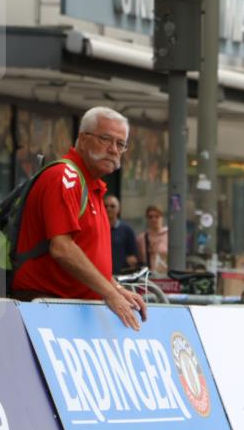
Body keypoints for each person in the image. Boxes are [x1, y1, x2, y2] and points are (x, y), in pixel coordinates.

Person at [10, 106, 146, 330]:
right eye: (105, 139)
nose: (113, 149)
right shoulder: (65, 177)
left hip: (65, 311)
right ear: (83, 139)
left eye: (120, 144)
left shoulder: (90, 185)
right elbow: (62, 248)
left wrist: (117, 289)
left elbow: (88, 257)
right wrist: (110, 293)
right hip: (46, 310)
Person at [105, 194, 139, 273]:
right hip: (100, 275)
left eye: (112, 206)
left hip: (120, 276)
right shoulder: (97, 229)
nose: (108, 208)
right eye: (105, 206)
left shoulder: (127, 230)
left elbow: (133, 258)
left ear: (119, 209)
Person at [137, 204, 169, 275]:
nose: (153, 219)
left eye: (157, 216)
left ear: (162, 218)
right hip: (148, 276)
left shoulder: (169, 235)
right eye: (150, 217)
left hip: (166, 276)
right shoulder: (142, 238)